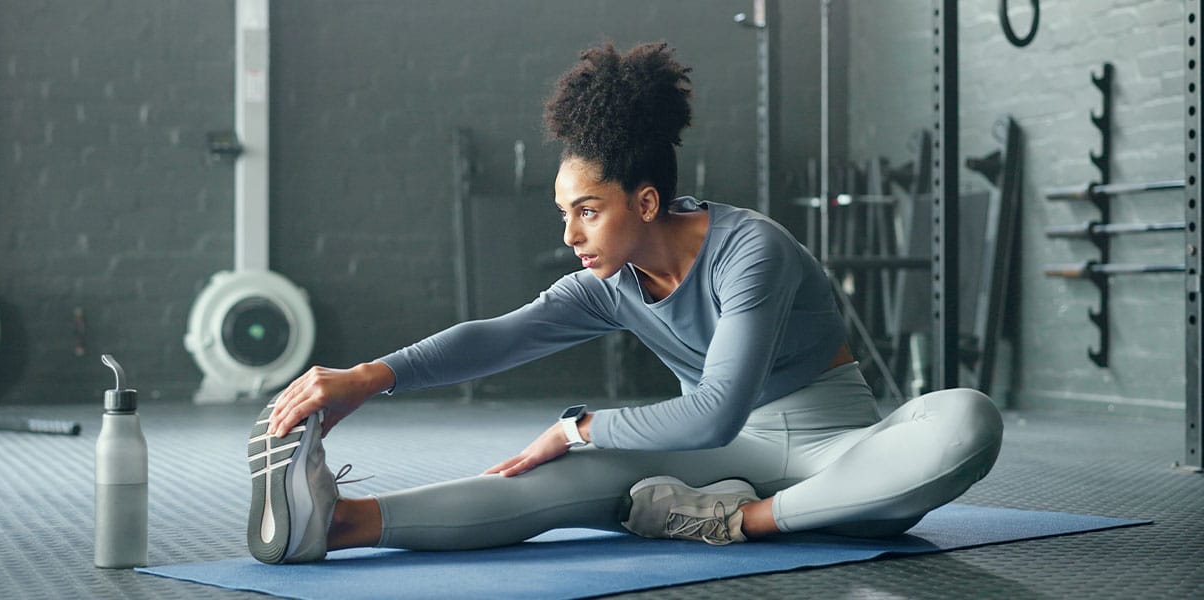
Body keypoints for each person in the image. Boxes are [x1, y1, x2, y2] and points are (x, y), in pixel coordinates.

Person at [245, 41, 1003, 565]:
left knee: (966, 423)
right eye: (563, 212)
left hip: (834, 449)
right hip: (712, 459)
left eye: (586, 210)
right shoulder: (611, 283)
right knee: (546, 483)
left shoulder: (751, 251)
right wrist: (364, 377)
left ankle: (740, 520)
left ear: (646, 200)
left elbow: (714, 411)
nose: (570, 232)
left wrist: (580, 426)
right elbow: (502, 338)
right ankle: (337, 525)